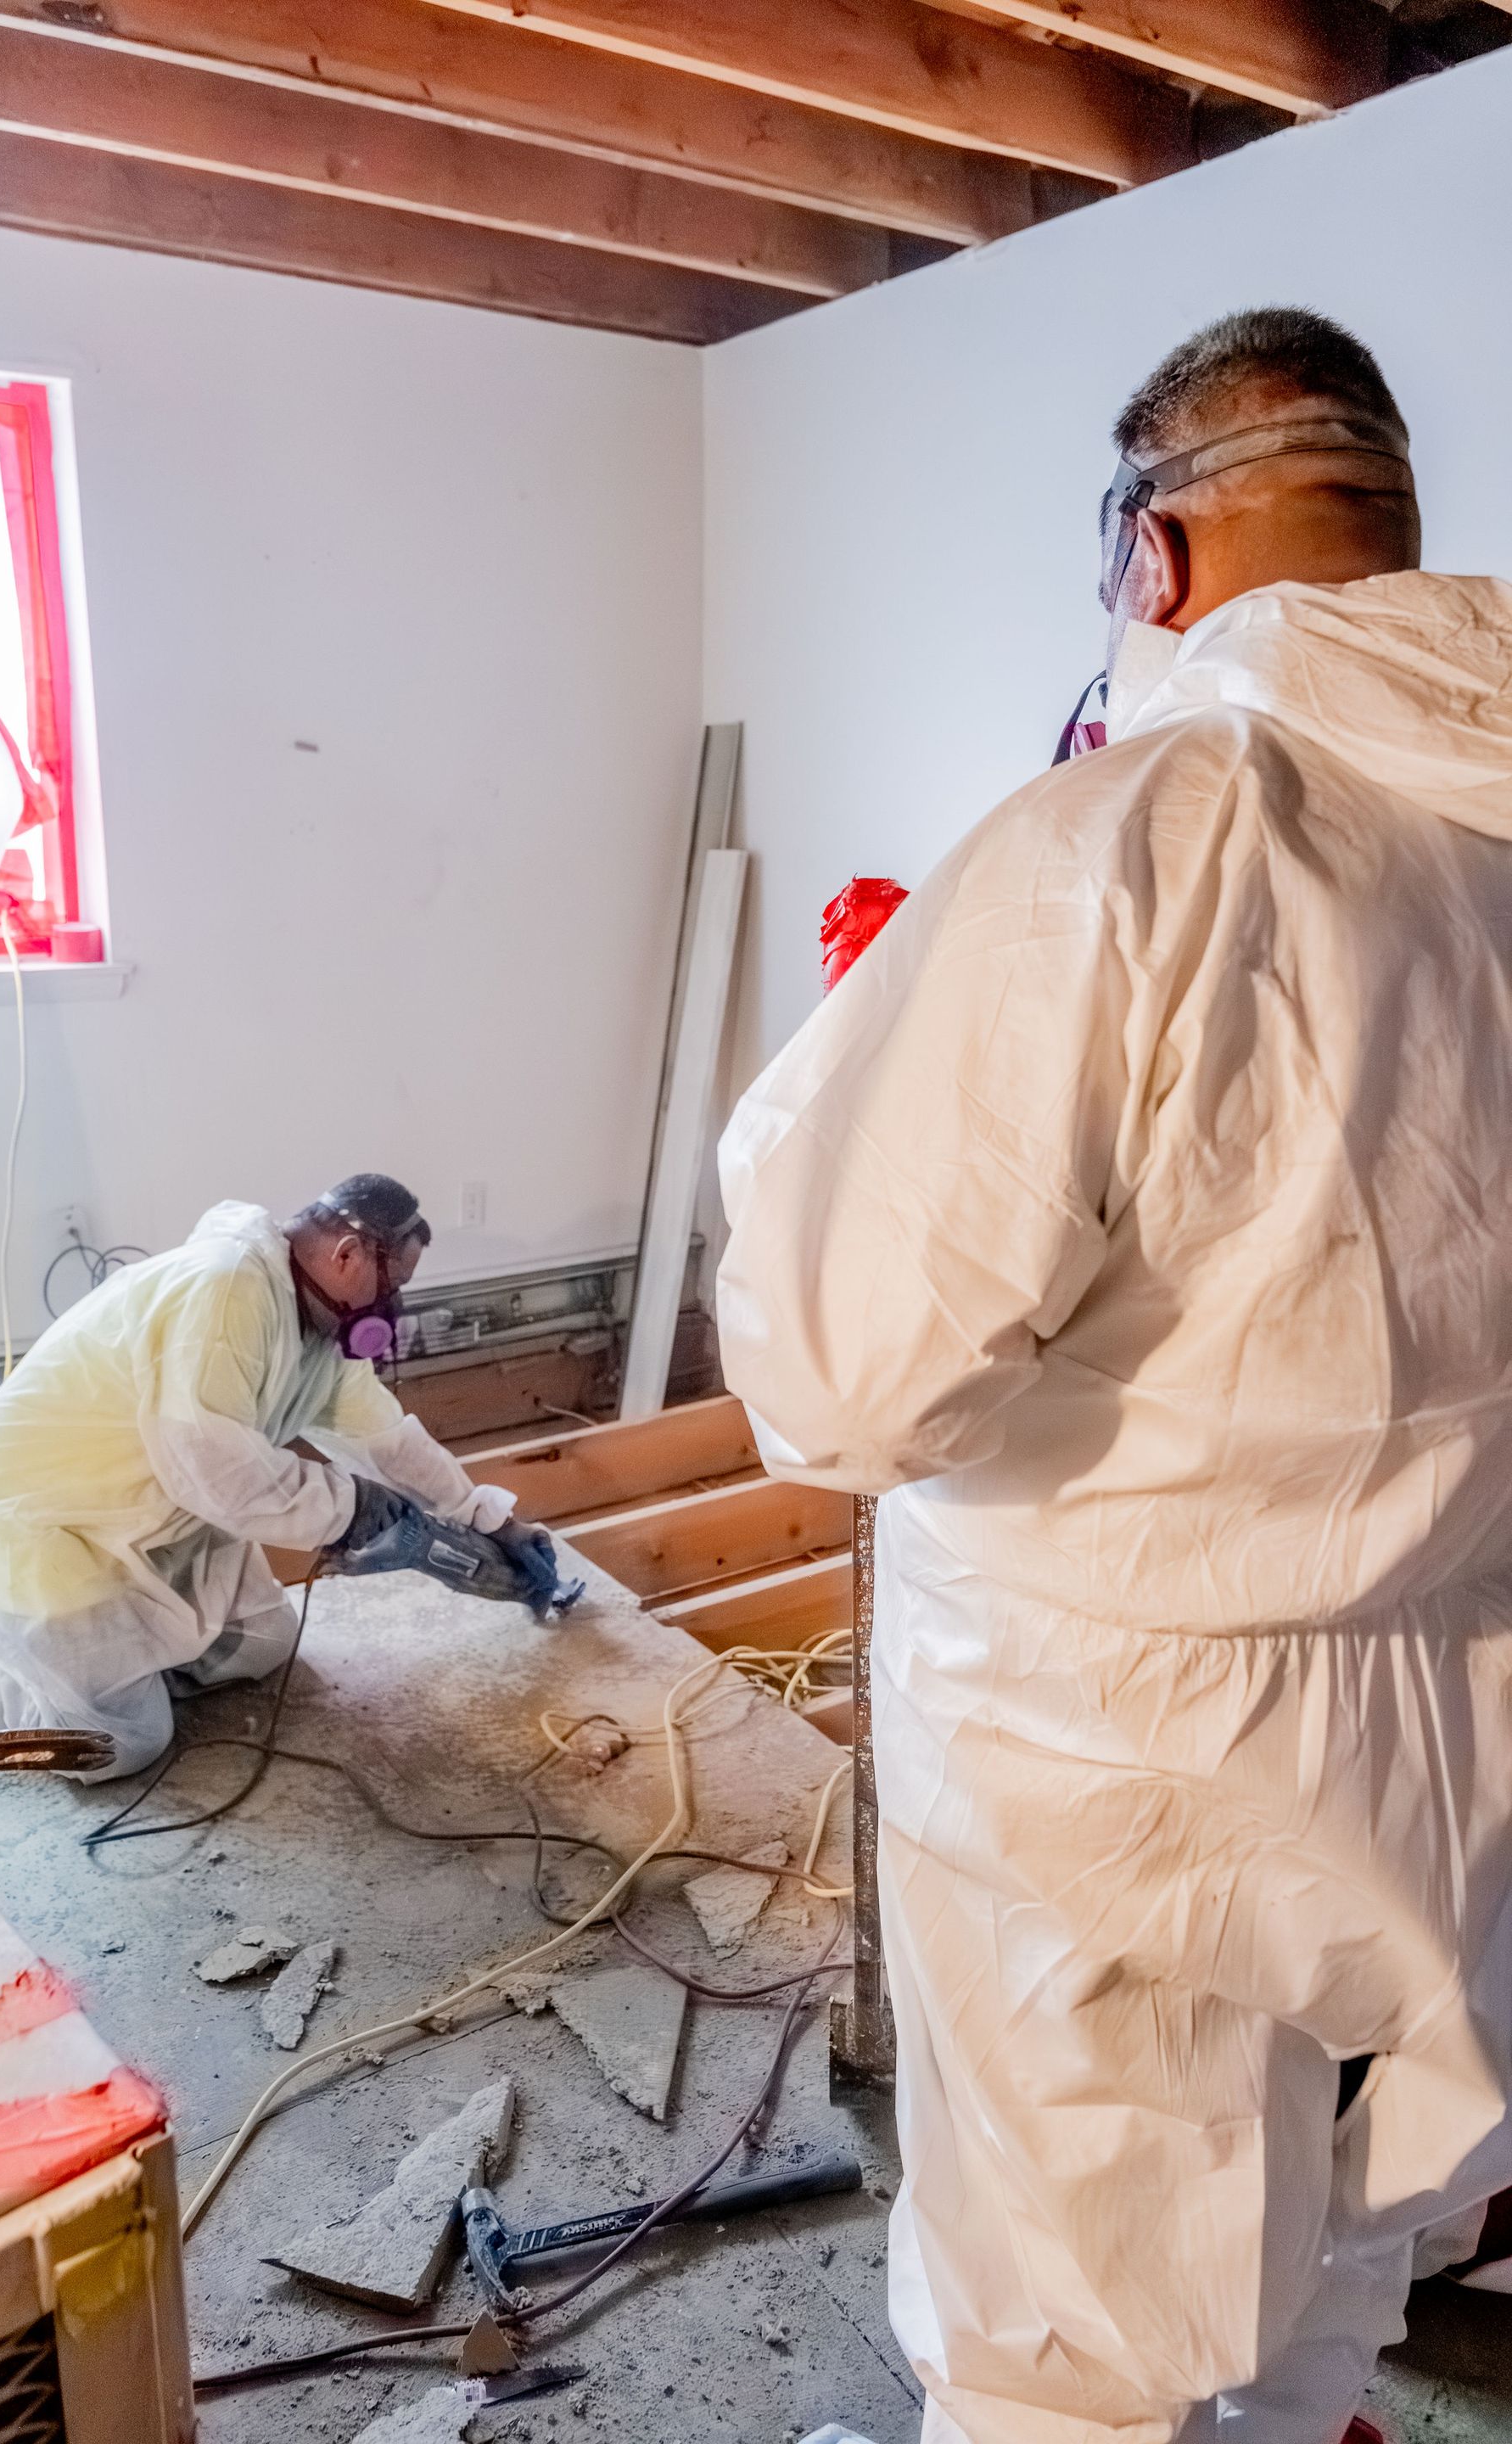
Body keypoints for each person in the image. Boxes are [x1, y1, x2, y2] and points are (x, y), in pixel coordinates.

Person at [716, 308, 1512, 2442]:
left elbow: (841, 1366)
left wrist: (899, 1036)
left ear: (1151, 557)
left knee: (1078, 2332)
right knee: (1339, 2246)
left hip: (1119, 1755)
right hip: (1462, 1736)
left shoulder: (1134, 836)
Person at [0, 1177, 550, 1778]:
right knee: (120, 1744)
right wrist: (349, 1508)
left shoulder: (320, 1327)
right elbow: (220, 1474)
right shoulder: (225, 1289)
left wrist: (488, 1517)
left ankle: (99, 1650)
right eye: (393, 1283)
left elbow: (385, 1440)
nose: (394, 1303)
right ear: (347, 1254)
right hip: (42, 1526)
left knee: (260, 1643)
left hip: (150, 1514)